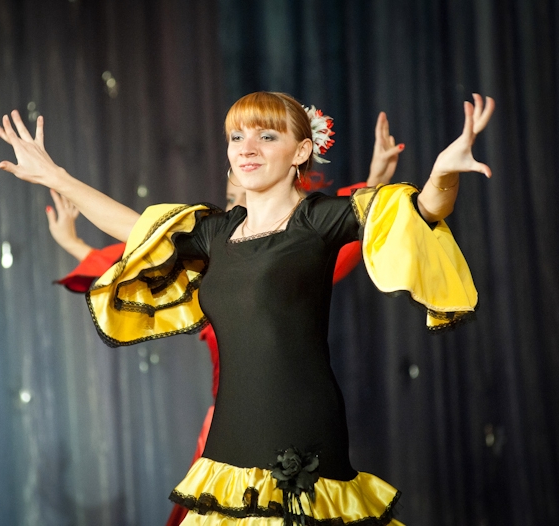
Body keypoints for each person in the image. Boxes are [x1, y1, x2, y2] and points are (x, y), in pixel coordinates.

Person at [0, 91, 493, 525]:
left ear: (301, 151)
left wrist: (443, 174)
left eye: (267, 137)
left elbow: (422, 210)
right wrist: (54, 175)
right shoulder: (215, 231)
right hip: (228, 438)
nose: (247, 148)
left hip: (299, 428)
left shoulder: (319, 219)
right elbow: (135, 227)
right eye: (237, 137)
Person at [44, 116, 403, 525]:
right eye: (234, 197)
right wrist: (70, 226)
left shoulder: (300, 245)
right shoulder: (216, 241)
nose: (241, 204)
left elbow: (358, 231)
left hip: (290, 422)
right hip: (229, 428)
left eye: (264, 139)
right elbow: (142, 248)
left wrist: (376, 181)